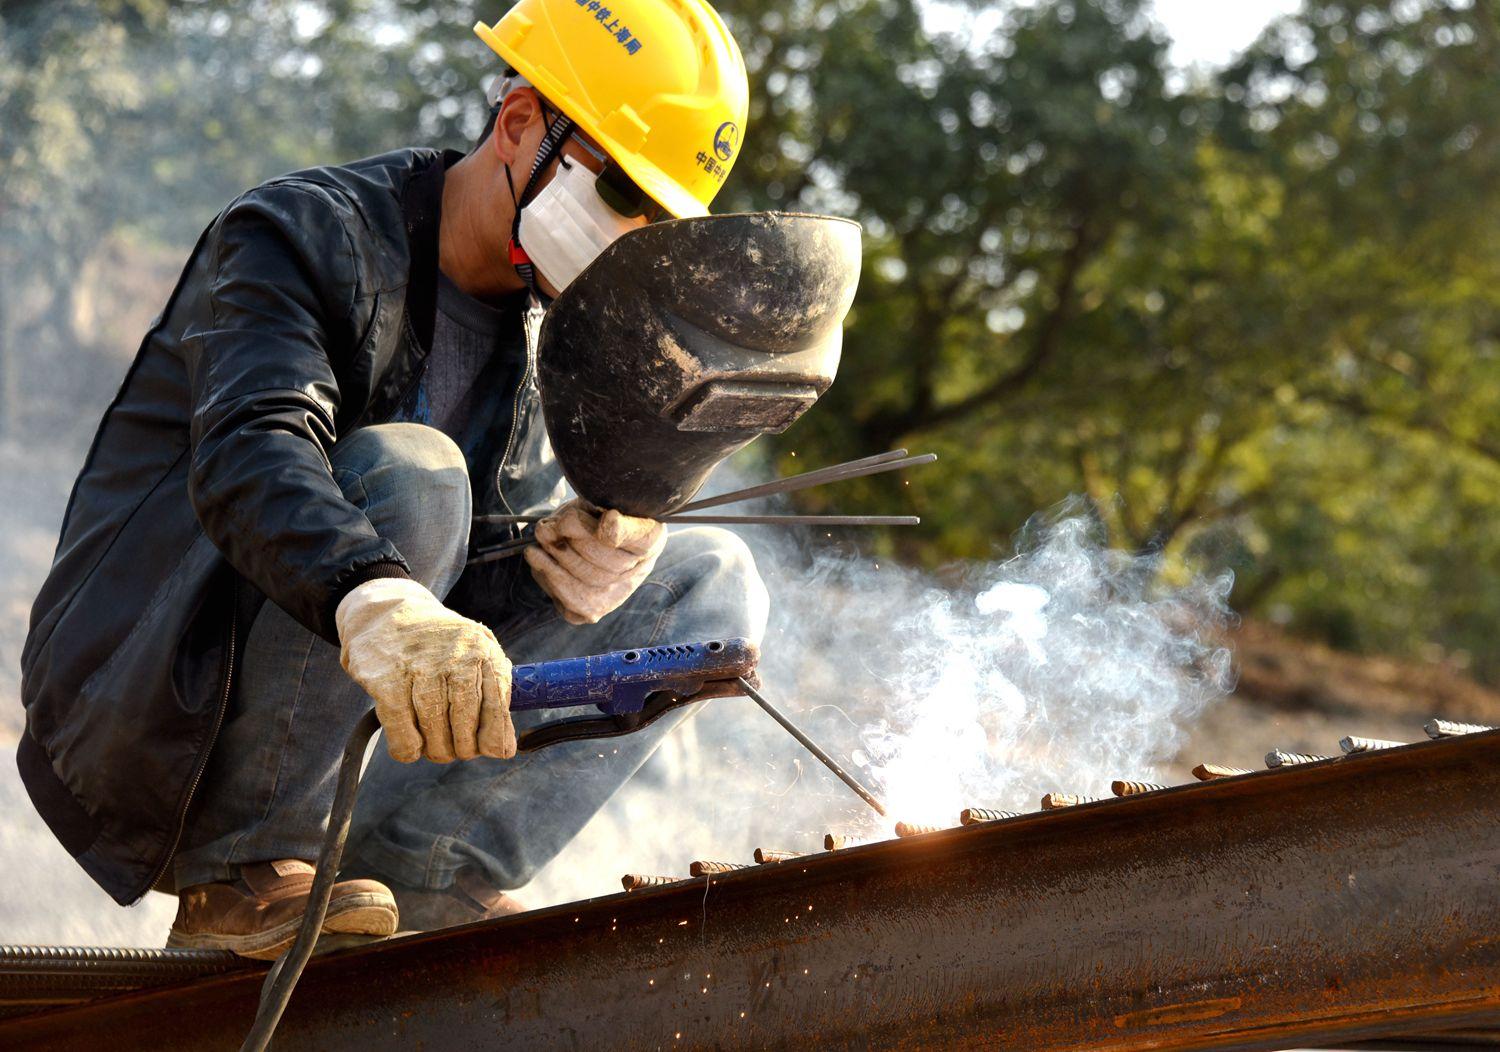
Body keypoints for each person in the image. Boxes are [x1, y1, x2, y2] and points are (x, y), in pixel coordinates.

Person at [17, 0, 767, 960]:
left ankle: (431, 868)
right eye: (622, 189)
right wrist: (376, 596)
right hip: (151, 689)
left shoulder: (547, 340)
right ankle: (242, 868)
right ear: (519, 123)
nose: (633, 235)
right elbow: (255, 451)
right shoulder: (299, 232)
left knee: (707, 581)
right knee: (417, 473)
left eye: (659, 219)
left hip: (337, 714)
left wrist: (543, 565)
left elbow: (446, 587)